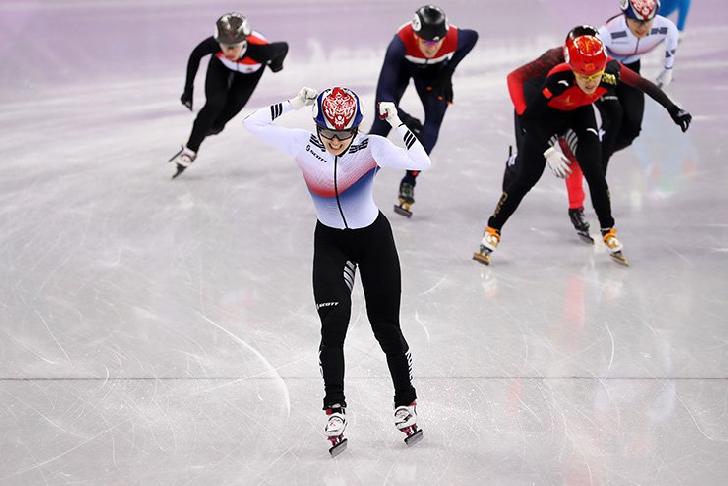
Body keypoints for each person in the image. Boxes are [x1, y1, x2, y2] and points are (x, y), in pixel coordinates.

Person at [244, 86, 430, 455]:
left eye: (344, 135)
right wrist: (293, 103)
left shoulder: (372, 148)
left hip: (374, 242)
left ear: (355, 129)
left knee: (386, 327)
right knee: (333, 327)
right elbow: (252, 123)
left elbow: (421, 160)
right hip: (331, 244)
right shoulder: (302, 144)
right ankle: (335, 408)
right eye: (328, 133)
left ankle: (405, 404)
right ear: (317, 125)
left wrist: (397, 121)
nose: (334, 142)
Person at [475, 29, 691, 266]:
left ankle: (608, 230)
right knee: (528, 176)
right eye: (583, 76)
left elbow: (642, 84)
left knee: (595, 171)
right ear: (572, 69)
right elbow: (529, 120)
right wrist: (548, 151)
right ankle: (493, 230)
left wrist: (672, 108)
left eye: (595, 76)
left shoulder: (610, 70)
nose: (590, 82)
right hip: (544, 118)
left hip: (578, 114)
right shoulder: (559, 77)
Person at [558, 0, 681, 239]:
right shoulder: (608, 32)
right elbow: (582, 60)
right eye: (637, 22)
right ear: (625, 15)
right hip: (603, 71)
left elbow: (673, 39)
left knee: (632, 128)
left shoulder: (664, 27)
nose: (643, 28)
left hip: (630, 69)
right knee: (614, 116)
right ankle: (597, 172)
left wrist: (668, 70)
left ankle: (595, 155)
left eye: (647, 22)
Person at [368, 5, 478, 216]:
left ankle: (409, 181)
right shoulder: (399, 44)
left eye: (438, 41)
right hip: (402, 68)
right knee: (381, 123)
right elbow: (383, 98)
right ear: (416, 36)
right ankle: (355, 176)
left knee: (432, 126)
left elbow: (473, 37)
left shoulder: (454, 38)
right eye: (427, 41)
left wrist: (448, 71)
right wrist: (405, 120)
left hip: (434, 74)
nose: (432, 47)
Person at [169, 12, 288, 178]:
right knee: (214, 105)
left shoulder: (261, 51)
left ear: (244, 41)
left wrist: (276, 65)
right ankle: (190, 150)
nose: (229, 51)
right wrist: (188, 89)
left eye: (234, 46)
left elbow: (283, 47)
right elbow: (195, 56)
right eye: (224, 46)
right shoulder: (215, 45)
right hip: (220, 68)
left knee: (217, 125)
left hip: (249, 74)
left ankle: (206, 130)